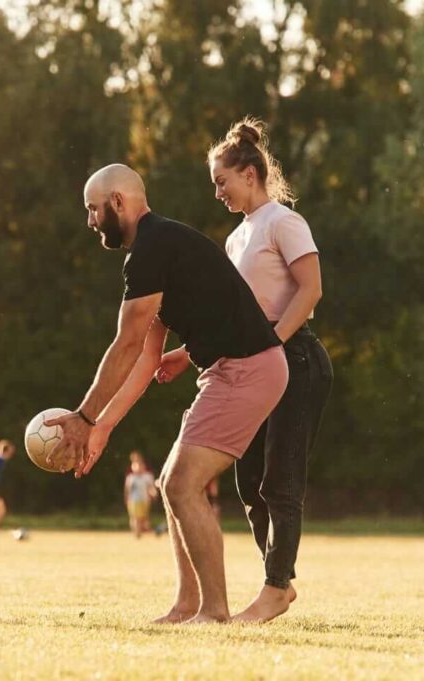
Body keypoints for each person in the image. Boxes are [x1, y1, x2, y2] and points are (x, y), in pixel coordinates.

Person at [45, 164, 288, 624]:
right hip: (231, 370)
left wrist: (83, 416)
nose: (91, 221)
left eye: (93, 210)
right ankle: (187, 605)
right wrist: (101, 427)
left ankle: (214, 612)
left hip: (248, 369)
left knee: (181, 482)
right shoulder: (157, 249)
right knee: (172, 483)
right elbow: (145, 359)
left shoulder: (152, 249)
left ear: (118, 202)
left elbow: (126, 343)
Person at [160, 118, 333, 622]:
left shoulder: (284, 221)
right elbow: (234, 318)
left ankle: (276, 587)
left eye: (222, 181)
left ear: (250, 173)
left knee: (281, 480)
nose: (217, 193)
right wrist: (184, 354)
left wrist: (270, 346)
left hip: (295, 359)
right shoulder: (237, 239)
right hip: (258, 361)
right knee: (249, 480)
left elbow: (311, 291)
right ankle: (277, 581)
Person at [124, 451, 157, 538]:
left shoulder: (147, 477)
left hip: (145, 500)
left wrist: (153, 494)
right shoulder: (131, 478)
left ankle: (142, 530)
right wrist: (127, 499)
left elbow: (151, 488)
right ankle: (137, 533)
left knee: (143, 519)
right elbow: (127, 490)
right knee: (136, 518)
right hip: (134, 500)